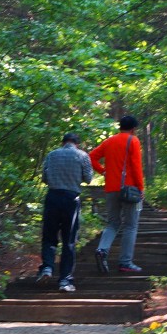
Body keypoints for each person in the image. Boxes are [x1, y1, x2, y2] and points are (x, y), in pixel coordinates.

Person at [89, 114, 147, 274]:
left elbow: (91, 157)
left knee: (113, 223)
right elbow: (136, 166)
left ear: (120, 126)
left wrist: (103, 171)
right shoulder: (133, 140)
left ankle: (102, 250)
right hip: (130, 190)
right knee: (130, 225)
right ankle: (125, 262)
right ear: (134, 128)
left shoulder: (109, 141)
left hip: (111, 189)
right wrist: (141, 188)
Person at [36, 132, 92, 292]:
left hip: (52, 197)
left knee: (49, 237)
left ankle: (47, 268)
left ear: (63, 142)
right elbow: (88, 178)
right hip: (71, 199)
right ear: (77, 143)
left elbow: (44, 178)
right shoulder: (82, 156)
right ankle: (64, 281)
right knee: (69, 241)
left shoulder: (52, 155)